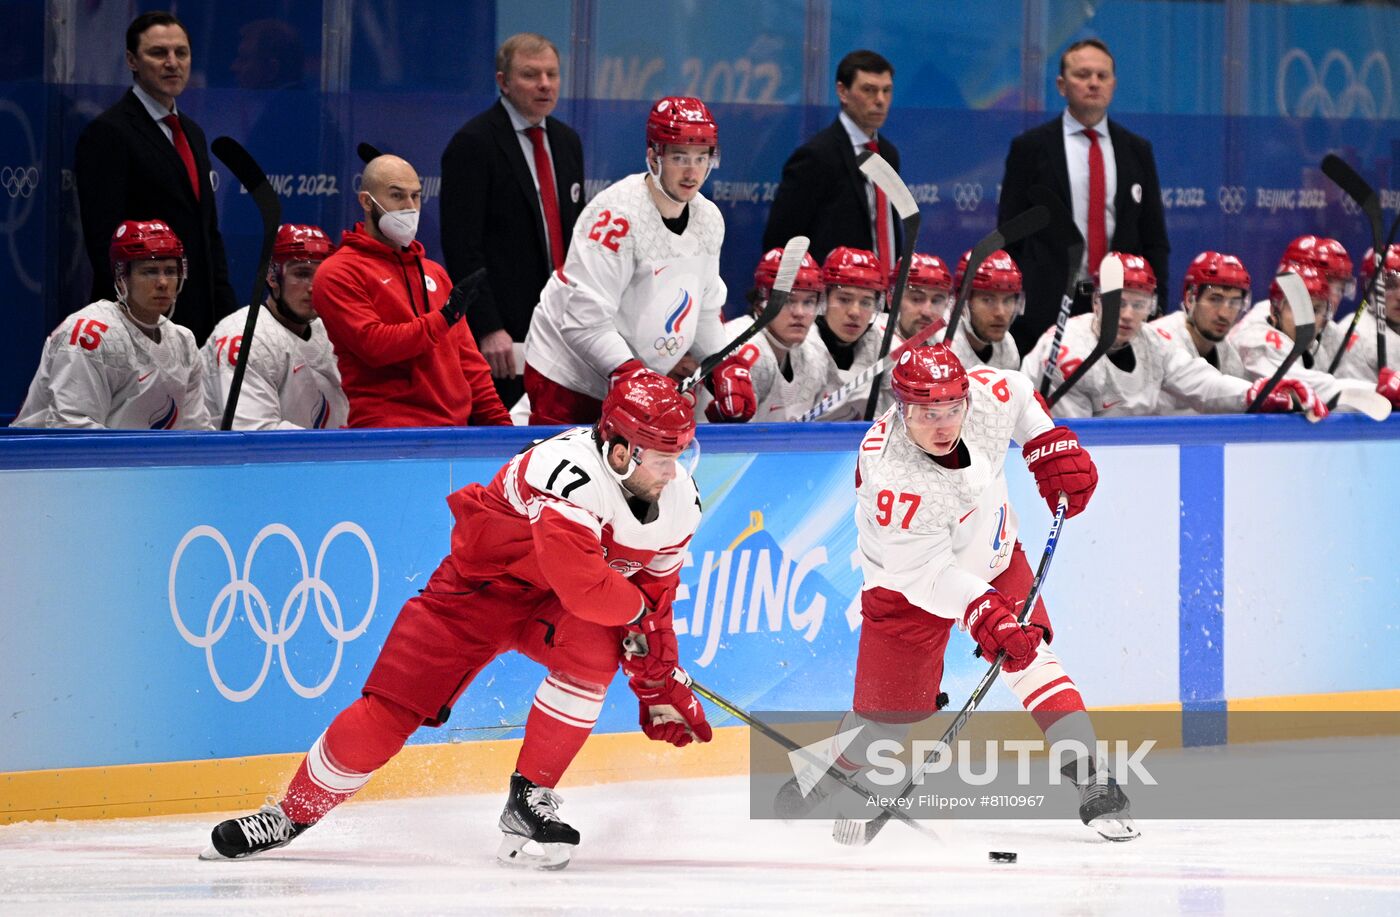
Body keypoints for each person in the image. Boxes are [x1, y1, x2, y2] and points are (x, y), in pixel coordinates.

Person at [201, 374, 712, 870]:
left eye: (679, 454)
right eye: (662, 457)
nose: (673, 472)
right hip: (476, 593)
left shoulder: (681, 501)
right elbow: (590, 589)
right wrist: (648, 638)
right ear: (620, 450)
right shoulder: (565, 471)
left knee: (593, 655)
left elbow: (654, 599)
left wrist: (658, 678)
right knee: (389, 712)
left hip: (553, 603)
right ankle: (289, 816)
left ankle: (529, 799)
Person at [778, 344, 1136, 840]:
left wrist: (1046, 442)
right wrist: (983, 610)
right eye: (927, 413)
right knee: (886, 722)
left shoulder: (985, 398)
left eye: (951, 409)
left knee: (1031, 657)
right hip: (908, 586)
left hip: (994, 555)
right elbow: (926, 576)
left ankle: (1094, 780)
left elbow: (1019, 391)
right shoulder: (891, 475)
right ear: (902, 408)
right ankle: (828, 769)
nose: (944, 425)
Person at [523, 96, 751, 425]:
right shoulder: (615, 217)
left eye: (702, 158)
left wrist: (722, 363)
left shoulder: (709, 219)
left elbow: (702, 311)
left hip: (635, 378)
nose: (692, 172)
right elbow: (582, 323)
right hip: (569, 375)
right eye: (679, 157)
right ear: (653, 157)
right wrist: (631, 373)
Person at [312, 154, 511, 428]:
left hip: (454, 433)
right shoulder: (338, 272)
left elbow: (469, 363)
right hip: (384, 435)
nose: (409, 207)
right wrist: (443, 318)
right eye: (397, 196)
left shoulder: (435, 273)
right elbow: (375, 346)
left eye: (415, 197)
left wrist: (503, 428)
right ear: (367, 201)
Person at [440, 33, 585, 408]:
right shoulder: (473, 143)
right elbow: (462, 246)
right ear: (503, 81)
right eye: (530, 74)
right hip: (504, 333)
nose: (545, 84)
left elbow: (573, 239)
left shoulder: (567, 142)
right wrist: (488, 327)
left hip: (560, 324)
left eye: (552, 74)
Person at [997, 38, 1169, 356]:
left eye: (1102, 76)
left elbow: (1153, 236)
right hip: (1046, 304)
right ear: (1062, 85)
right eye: (1083, 75)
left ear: (1114, 85)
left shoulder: (1136, 151)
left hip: (1120, 301)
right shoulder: (1031, 148)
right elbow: (1010, 236)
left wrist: (1156, 304)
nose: (1093, 83)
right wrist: (1016, 302)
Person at [75, 11, 236, 344]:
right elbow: (105, 240)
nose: (172, 63)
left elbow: (206, 231)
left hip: (198, 319)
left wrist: (225, 314)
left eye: (181, 52)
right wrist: (136, 321)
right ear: (133, 60)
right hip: (141, 322)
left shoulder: (192, 132)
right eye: (159, 53)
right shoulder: (109, 132)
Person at [1021, 253, 1323, 417]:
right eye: (1120, 302)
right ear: (1098, 301)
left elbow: (1202, 382)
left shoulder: (1151, 342)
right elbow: (1076, 440)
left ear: (1151, 307)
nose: (1128, 314)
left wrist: (1254, 392)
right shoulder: (1067, 349)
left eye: (1139, 304)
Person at [13, 220, 210, 429]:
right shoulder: (88, 334)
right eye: (149, 271)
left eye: (170, 271)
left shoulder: (183, 342)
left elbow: (196, 430)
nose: (163, 282)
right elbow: (72, 427)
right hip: (44, 459)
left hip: (133, 459)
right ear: (122, 278)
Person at [762, 50, 900, 268]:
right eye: (869, 90)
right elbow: (781, 241)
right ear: (842, 92)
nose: (880, 100)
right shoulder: (816, 156)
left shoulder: (888, 154)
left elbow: (888, 231)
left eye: (886, 91)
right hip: (832, 294)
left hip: (881, 296)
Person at [202, 224, 347, 430]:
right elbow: (256, 434)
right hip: (245, 460)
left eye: (322, 273)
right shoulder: (242, 336)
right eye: (302, 273)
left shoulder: (333, 329)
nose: (314, 286)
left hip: (320, 457)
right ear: (272, 277)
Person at [702, 247, 829, 422]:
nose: (799, 312)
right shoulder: (738, 346)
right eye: (787, 300)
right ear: (761, 302)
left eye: (808, 302)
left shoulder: (814, 350)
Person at [1229, 260, 1375, 408]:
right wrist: (1378, 390)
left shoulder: (1317, 347)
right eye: (1297, 308)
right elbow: (1311, 388)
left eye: (1316, 310)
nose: (1308, 319)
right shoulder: (1257, 340)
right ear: (1274, 312)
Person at [1148, 251, 1251, 414]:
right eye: (1215, 299)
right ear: (1190, 299)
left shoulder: (1231, 358)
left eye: (1234, 303)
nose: (1224, 313)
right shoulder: (1156, 340)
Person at [812, 246, 887, 421]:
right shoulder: (799, 345)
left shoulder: (884, 343)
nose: (855, 312)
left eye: (866, 302)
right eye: (844, 299)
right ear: (824, 299)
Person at [872, 253, 953, 413]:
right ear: (890, 298)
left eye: (936, 300)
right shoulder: (874, 339)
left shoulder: (946, 344)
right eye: (916, 299)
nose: (927, 312)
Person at [1333, 245, 1400, 408]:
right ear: (1370, 288)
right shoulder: (1355, 332)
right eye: (1390, 285)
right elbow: (1348, 406)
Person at [939, 249, 1023, 370]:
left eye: (1008, 300)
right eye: (988, 300)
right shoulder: (937, 343)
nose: (1001, 312)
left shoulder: (1008, 350)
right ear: (963, 301)